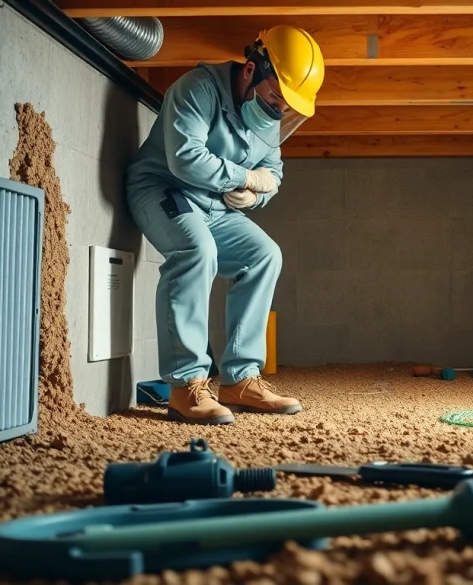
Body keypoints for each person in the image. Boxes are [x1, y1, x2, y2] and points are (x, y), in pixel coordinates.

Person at [125, 25, 324, 425]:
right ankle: (186, 386)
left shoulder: (269, 111)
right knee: (196, 251)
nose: (279, 110)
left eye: (287, 106)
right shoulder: (197, 88)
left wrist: (258, 194)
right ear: (250, 69)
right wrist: (244, 178)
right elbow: (186, 158)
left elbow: (272, 170)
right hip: (164, 189)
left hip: (215, 206)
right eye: (275, 98)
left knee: (265, 255)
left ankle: (240, 380)